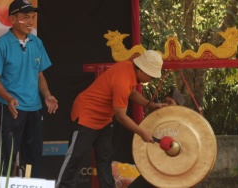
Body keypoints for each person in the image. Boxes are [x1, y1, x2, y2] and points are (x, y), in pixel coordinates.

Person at [55, 50, 167, 188]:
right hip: (86, 115)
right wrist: (142, 132)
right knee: (76, 156)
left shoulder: (129, 70)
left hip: (104, 120)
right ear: (142, 70)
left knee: (105, 158)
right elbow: (121, 116)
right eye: (151, 76)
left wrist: (151, 105)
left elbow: (131, 92)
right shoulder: (123, 80)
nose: (152, 79)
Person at [0, 0, 58, 186]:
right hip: (10, 108)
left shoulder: (37, 42)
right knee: (6, 157)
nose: (30, 22)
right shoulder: (1, 44)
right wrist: (8, 98)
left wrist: (47, 95)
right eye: (26, 17)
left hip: (34, 109)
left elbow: (39, 74)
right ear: (12, 19)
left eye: (33, 17)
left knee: (34, 157)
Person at [128, 89, 185, 188]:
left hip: (176, 171)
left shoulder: (188, 126)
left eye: (170, 102)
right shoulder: (156, 121)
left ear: (179, 106)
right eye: (165, 101)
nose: (166, 105)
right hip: (156, 169)